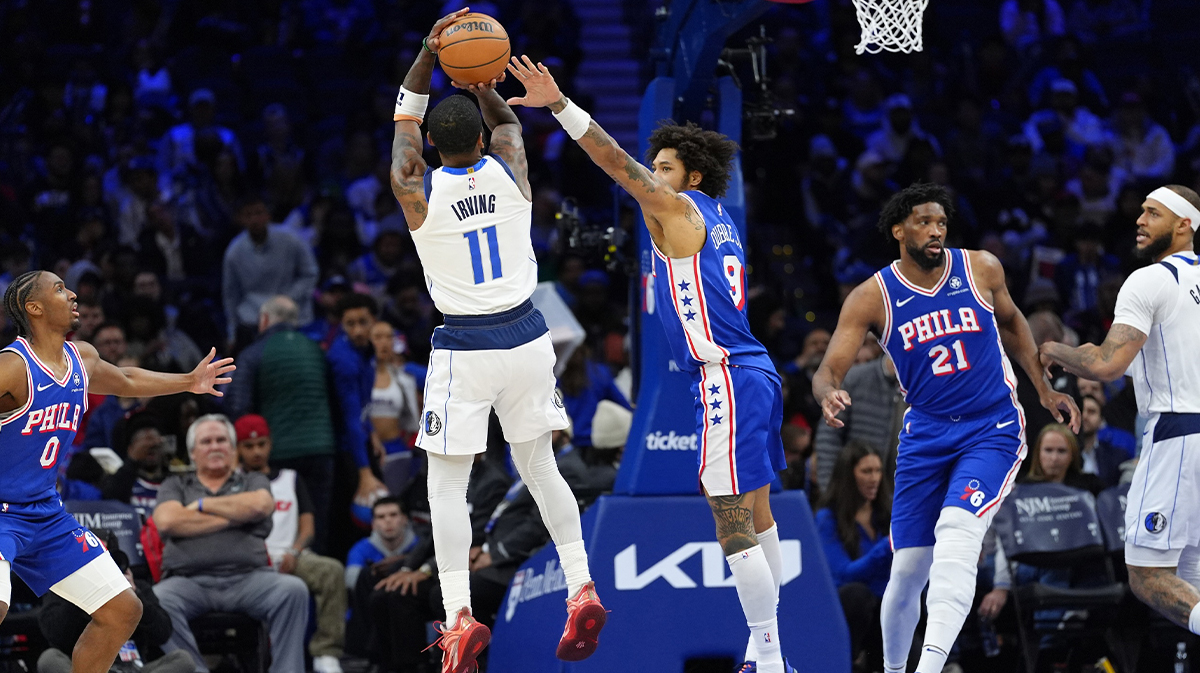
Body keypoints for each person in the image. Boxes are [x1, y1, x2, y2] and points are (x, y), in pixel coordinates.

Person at [505, 55, 791, 672]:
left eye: (664, 169)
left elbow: (613, 161)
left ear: (690, 177)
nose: (652, 178)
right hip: (752, 373)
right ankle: (767, 653)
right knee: (760, 514)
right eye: (655, 168)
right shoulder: (720, 222)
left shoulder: (679, 210)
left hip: (727, 379)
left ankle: (768, 661)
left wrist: (559, 104)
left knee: (730, 519)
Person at [387, 19, 604, 672]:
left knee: (446, 487)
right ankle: (581, 584)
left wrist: (429, 53)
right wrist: (483, 81)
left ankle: (457, 617)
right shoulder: (512, 165)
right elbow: (507, 122)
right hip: (529, 339)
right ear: (483, 137)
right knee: (540, 469)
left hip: (465, 347)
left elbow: (404, 117)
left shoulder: (414, 187)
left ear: (432, 145)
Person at [809, 182, 1079, 673]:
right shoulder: (872, 296)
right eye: (924, 223)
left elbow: (1015, 323)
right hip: (926, 434)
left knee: (957, 534)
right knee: (908, 568)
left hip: (991, 426)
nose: (936, 231)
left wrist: (1043, 389)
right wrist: (828, 393)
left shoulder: (981, 267)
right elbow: (827, 370)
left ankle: (929, 668)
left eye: (941, 223)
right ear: (898, 230)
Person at [0, 270, 234, 673]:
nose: (71, 293)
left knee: (122, 609)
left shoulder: (81, 358)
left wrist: (190, 381)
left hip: (44, 512)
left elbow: (125, 378)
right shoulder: (13, 366)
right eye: (59, 289)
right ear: (33, 308)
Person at [1038, 184, 1200, 635]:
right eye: (1141, 211)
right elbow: (1158, 360)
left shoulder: (1148, 280)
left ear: (1184, 225)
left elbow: (1106, 365)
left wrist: (1052, 348)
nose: (1139, 220)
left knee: (1148, 576)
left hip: (1177, 437)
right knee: (1192, 580)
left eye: (1153, 213)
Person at [151, 414, 309, 673]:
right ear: (193, 453)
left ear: (233, 449)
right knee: (157, 600)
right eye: (207, 441)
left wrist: (203, 506)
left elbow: (260, 505)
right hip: (189, 582)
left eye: (222, 440)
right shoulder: (175, 484)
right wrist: (237, 517)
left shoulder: (252, 480)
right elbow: (167, 521)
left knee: (293, 591)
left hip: (249, 579)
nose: (215, 446)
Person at [223, 295, 338, 551]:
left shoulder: (253, 353)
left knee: (277, 526)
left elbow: (238, 407)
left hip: (277, 454)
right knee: (316, 526)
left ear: (264, 320)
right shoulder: (316, 350)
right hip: (322, 449)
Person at [234, 414, 347, 673]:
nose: (256, 451)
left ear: (270, 444)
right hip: (249, 560)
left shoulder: (290, 478)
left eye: (261, 444)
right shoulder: (232, 482)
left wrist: (295, 551)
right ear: (237, 448)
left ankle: (326, 653)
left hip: (290, 556)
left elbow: (308, 526)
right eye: (248, 446)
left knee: (332, 571)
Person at [37, 544, 194, 673]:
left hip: (135, 668)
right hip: (87, 669)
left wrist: (134, 596)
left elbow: (163, 633)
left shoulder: (138, 588)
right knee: (49, 658)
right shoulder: (64, 589)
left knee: (183, 659)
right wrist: (81, 593)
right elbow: (56, 636)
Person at [816, 440, 893, 673]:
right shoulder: (828, 518)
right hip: (850, 612)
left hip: (886, 611)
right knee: (857, 595)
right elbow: (843, 575)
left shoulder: (888, 514)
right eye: (866, 471)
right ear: (849, 476)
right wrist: (889, 545)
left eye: (878, 470)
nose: (874, 478)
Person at [326, 293, 389, 517]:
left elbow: (364, 406)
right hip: (344, 449)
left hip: (359, 439)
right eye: (350, 324)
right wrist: (364, 473)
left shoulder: (367, 352)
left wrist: (371, 433)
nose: (358, 331)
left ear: (374, 321)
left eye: (363, 322)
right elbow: (351, 418)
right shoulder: (344, 361)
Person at [368, 320, 421, 494]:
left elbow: (413, 420)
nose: (384, 342)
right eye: (377, 337)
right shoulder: (358, 376)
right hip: (368, 450)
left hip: (396, 449)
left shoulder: (404, 380)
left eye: (388, 337)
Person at [1023, 423, 1105, 495]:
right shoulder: (1023, 489)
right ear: (1038, 453)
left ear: (1072, 455)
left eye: (1061, 451)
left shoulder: (1091, 487)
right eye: (1048, 450)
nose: (1054, 458)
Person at [1077, 393, 1134, 489]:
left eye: (1091, 412)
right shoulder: (1060, 451)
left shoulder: (1115, 456)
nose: (1084, 416)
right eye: (1080, 411)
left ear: (1101, 420)